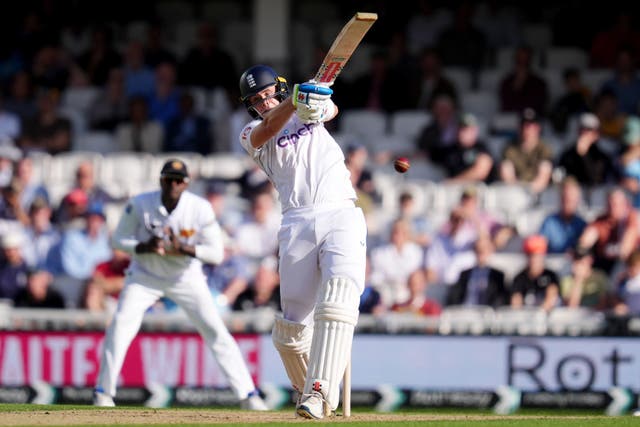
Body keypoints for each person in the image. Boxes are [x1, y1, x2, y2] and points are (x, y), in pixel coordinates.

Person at [238, 65, 367, 419]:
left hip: (340, 211)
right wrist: (294, 102)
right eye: (256, 100)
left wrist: (313, 103)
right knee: (291, 330)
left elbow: (330, 109)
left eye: (268, 94)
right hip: (296, 221)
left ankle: (319, 391)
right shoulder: (251, 132)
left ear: (279, 89)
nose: (264, 102)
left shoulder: (310, 109)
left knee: (339, 299)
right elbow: (268, 128)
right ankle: (315, 389)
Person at [93, 159, 267, 411]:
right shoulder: (140, 204)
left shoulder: (200, 208)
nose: (173, 184)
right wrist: (144, 247)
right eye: (168, 179)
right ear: (161, 180)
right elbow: (119, 241)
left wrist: (184, 248)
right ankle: (103, 393)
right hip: (144, 275)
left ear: (186, 183)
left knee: (215, 330)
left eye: (178, 180)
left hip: (186, 277)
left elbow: (216, 254)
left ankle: (248, 395)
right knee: (120, 327)